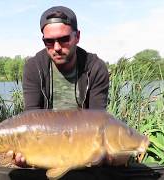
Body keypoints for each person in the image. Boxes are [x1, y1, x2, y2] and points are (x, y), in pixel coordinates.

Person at [14, 5, 109, 166]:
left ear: (77, 36)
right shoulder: (33, 67)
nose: (57, 47)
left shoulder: (95, 68)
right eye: (49, 41)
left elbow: (97, 122)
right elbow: (32, 119)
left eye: (64, 39)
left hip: (82, 149)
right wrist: (26, 156)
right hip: (45, 148)